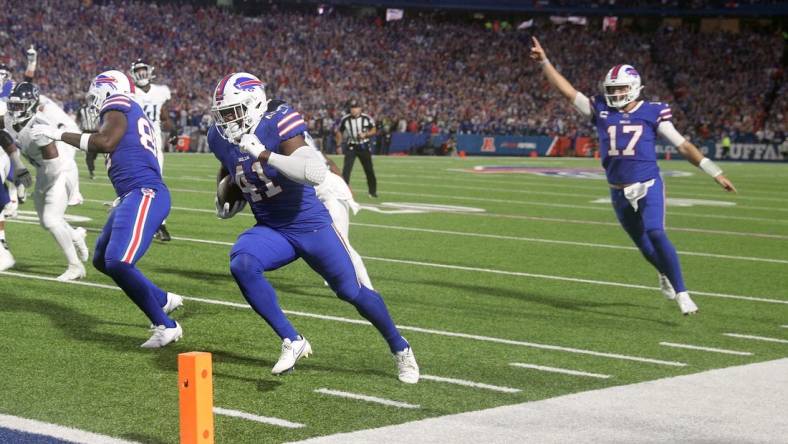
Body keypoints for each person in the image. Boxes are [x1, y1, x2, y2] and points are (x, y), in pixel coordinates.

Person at [209, 73, 418, 383]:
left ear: (253, 104)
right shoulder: (219, 137)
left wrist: (263, 153)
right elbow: (229, 171)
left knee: (352, 290)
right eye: (223, 114)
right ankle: (292, 339)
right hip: (272, 228)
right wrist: (224, 196)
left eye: (233, 111)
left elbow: (314, 171)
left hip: (310, 224)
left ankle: (400, 348)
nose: (227, 121)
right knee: (242, 262)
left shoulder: (278, 120)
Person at [531, 37, 737, 315]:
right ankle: (663, 272)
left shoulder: (653, 112)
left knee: (655, 232)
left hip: (648, 183)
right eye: (612, 89)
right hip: (617, 190)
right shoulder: (601, 109)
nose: (615, 94)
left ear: (635, 88)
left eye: (620, 89)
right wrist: (545, 61)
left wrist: (714, 172)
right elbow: (567, 92)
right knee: (643, 246)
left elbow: (683, 145)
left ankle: (683, 293)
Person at [31, 70, 184, 347]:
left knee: (119, 261)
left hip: (145, 192)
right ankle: (163, 299)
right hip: (131, 194)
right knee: (102, 260)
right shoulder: (126, 110)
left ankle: (166, 325)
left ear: (108, 89)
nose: (93, 101)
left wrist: (58, 133)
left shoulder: (118, 104)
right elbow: (106, 140)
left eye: (95, 94)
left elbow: (106, 142)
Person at [0, 83, 88, 281]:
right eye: (12, 106)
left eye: (20, 106)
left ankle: (75, 267)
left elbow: (54, 166)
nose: (14, 111)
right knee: (47, 220)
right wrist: (19, 166)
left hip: (61, 170)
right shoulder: (8, 119)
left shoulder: (38, 127)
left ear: (31, 105)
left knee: (51, 219)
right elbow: (3, 137)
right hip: (44, 169)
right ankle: (75, 236)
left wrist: (42, 188)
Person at [130, 59, 175, 242]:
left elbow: (164, 115)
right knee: (134, 183)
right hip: (134, 142)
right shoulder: (130, 93)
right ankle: (133, 216)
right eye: (138, 70)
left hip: (153, 143)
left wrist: (173, 130)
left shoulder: (160, 92)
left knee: (155, 182)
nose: (141, 74)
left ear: (149, 71)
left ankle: (160, 223)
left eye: (143, 70)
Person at [336, 99, 378, 198]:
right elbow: (339, 131)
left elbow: (374, 129)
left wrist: (366, 134)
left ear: (360, 108)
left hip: (364, 146)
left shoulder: (366, 118)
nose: (354, 110)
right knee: (346, 170)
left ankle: (372, 191)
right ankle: (344, 192)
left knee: (369, 170)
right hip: (351, 146)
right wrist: (338, 145)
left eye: (356, 108)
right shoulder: (345, 119)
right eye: (352, 108)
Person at [76, 101, 100, 179]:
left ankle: (91, 163)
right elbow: (78, 119)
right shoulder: (81, 109)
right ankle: (91, 171)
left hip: (95, 132)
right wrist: (80, 127)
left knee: (95, 152)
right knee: (89, 153)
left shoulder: (97, 109)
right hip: (86, 132)